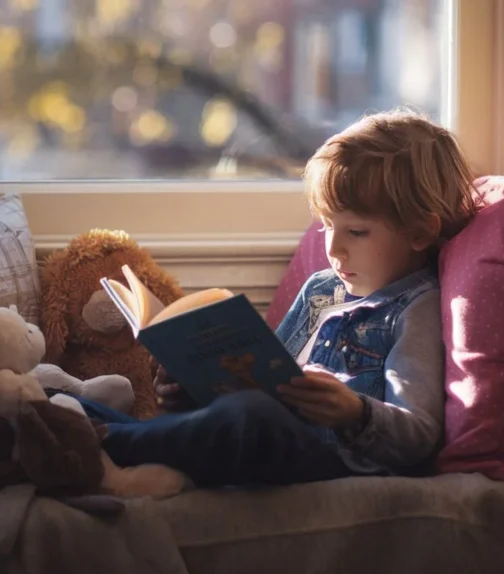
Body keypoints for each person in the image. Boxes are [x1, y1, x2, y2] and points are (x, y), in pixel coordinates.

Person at [77, 109, 481, 488]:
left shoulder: (417, 309)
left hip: (329, 461)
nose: (334, 250)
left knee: (253, 418)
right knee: (65, 401)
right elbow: (270, 376)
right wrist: (188, 388)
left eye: (356, 232)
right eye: (326, 228)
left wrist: (355, 413)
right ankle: (75, 424)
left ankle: (94, 445)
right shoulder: (321, 289)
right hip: (259, 433)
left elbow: (419, 435)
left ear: (420, 233)